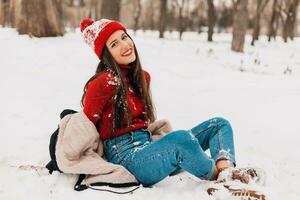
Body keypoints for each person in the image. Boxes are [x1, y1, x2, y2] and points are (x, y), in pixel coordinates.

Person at [79, 18, 260, 188]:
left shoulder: (141, 78)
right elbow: (86, 126)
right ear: (106, 55)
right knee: (181, 139)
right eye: (114, 44)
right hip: (127, 159)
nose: (124, 45)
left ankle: (227, 171)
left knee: (219, 125)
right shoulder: (103, 82)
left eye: (124, 37)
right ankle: (221, 180)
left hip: (149, 149)